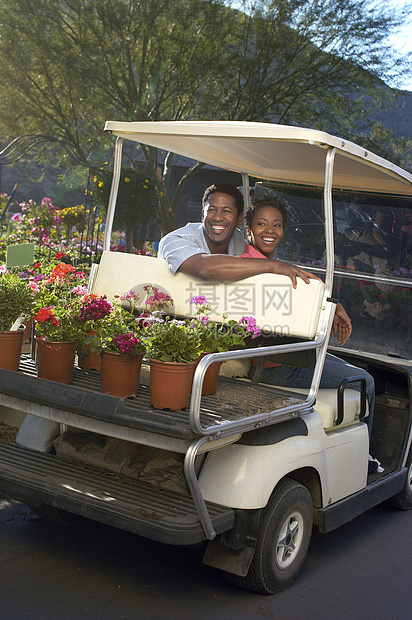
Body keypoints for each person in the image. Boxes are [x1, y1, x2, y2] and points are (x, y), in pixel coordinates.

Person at [242, 197, 377, 464]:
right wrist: (329, 305)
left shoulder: (268, 265)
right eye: (261, 224)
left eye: (277, 225)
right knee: (366, 383)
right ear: (248, 230)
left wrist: (330, 304)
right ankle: (364, 460)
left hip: (283, 359)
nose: (270, 230)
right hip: (278, 367)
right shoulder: (258, 268)